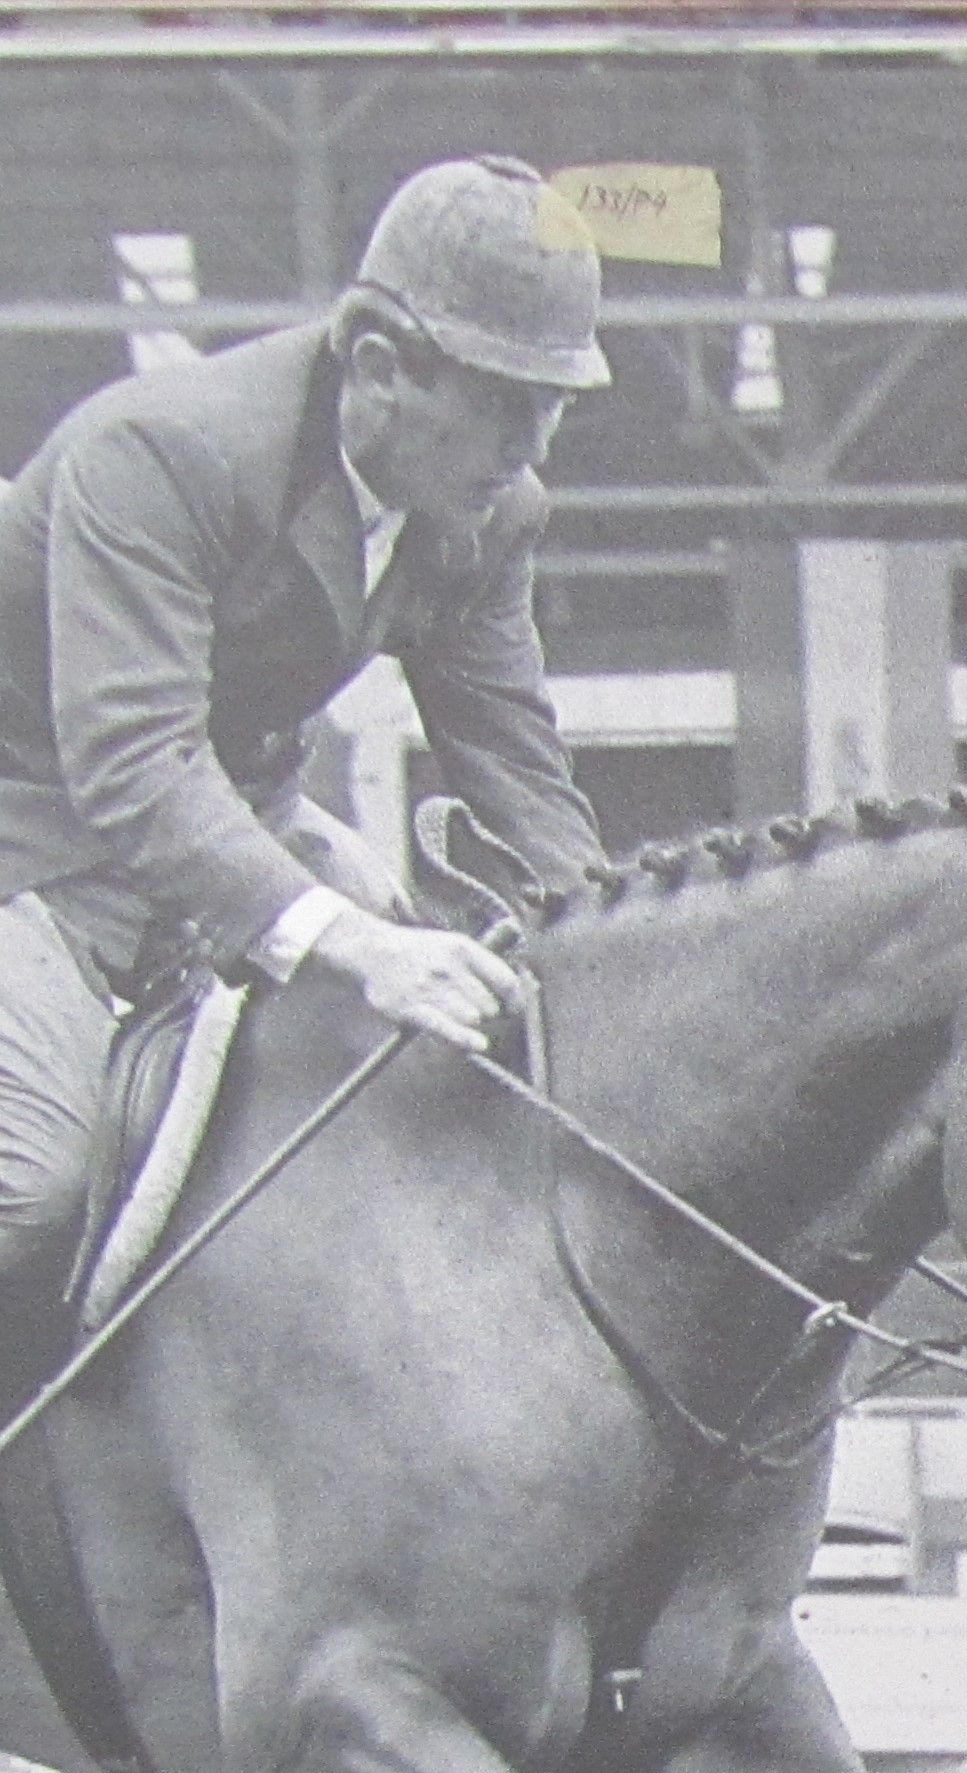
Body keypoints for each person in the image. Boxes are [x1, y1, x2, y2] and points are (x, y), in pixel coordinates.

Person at [0, 154, 611, 1357]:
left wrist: (609, 935)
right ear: (379, 367)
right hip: (34, 823)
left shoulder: (492, 509)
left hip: (232, 808)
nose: (530, 445)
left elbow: (512, 757)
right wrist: (361, 942)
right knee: (42, 1181)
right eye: (504, 401)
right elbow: (133, 768)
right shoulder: (161, 450)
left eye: (554, 405)